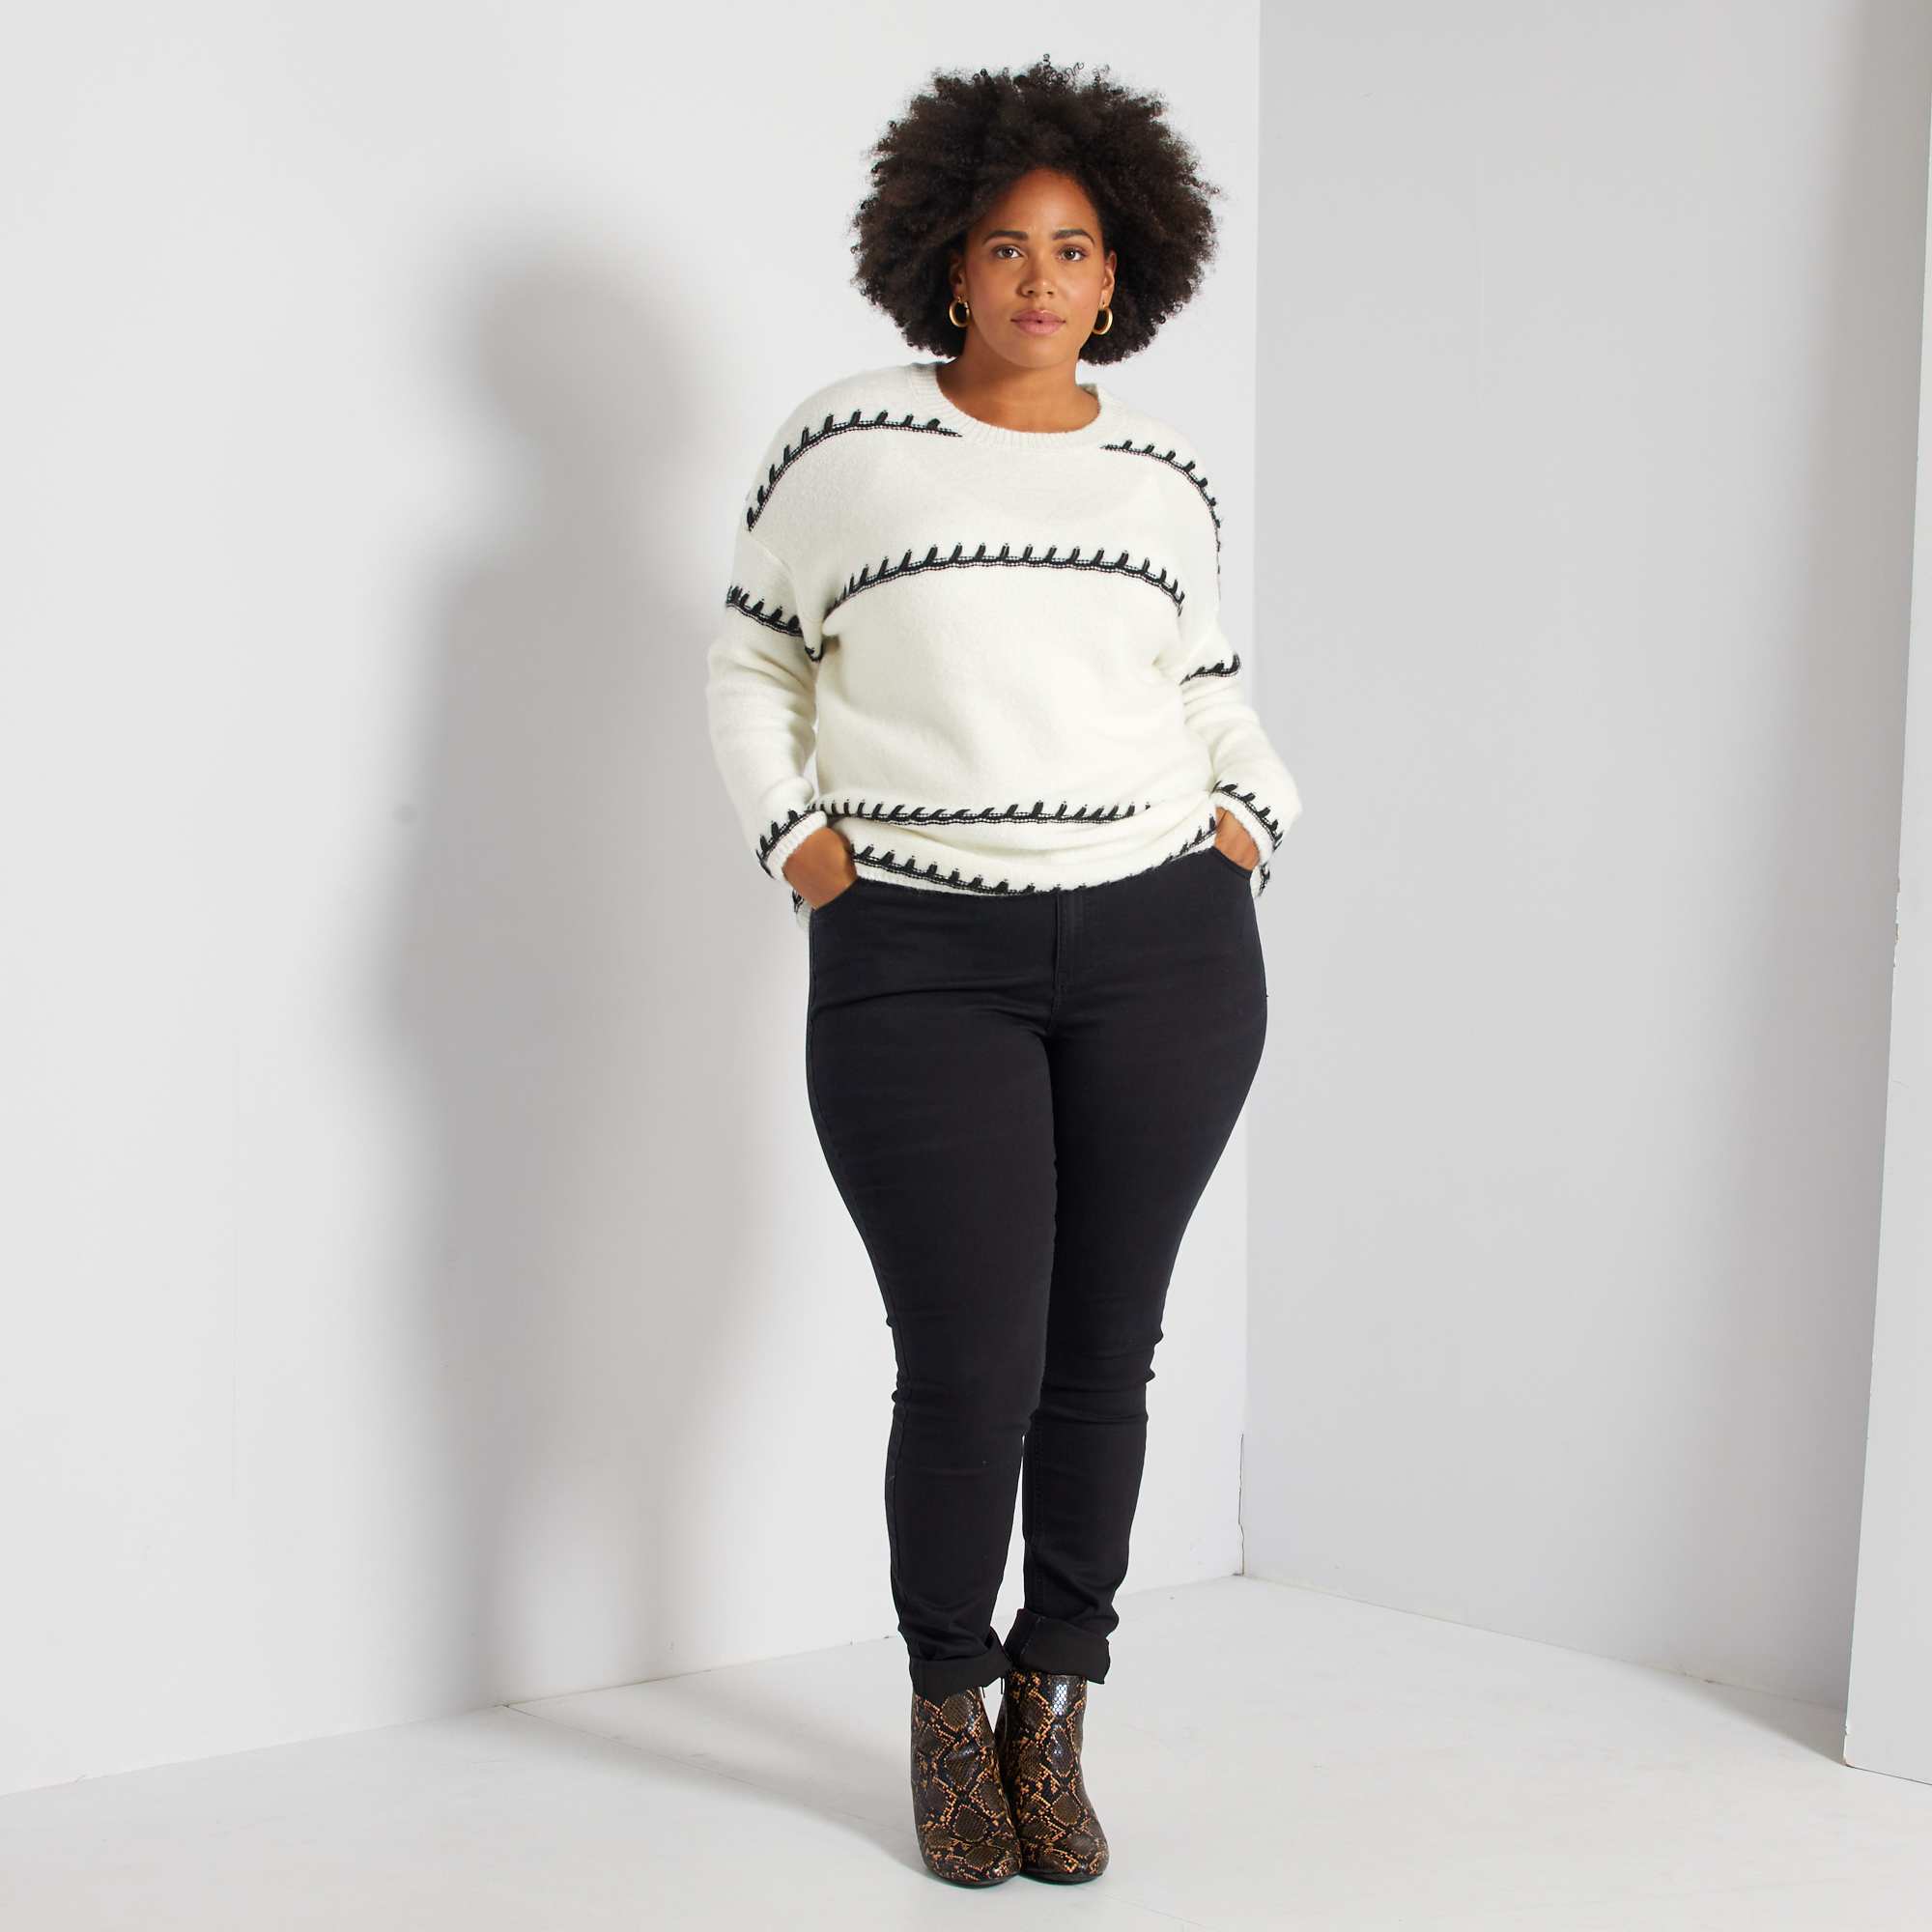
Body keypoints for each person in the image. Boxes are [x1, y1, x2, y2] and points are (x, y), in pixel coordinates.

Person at [703, 55, 1303, 1889]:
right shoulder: (844, 446)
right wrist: (800, 842)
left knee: (1104, 1357)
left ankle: (1057, 1706)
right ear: (945, 263)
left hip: (1163, 944)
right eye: (1007, 245)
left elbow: (1203, 683)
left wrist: (1257, 813)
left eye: (1077, 248)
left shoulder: (1162, 475)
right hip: (919, 952)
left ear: (1123, 275)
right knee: (972, 1360)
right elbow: (754, 661)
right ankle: (947, 1707)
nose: (1042, 279)